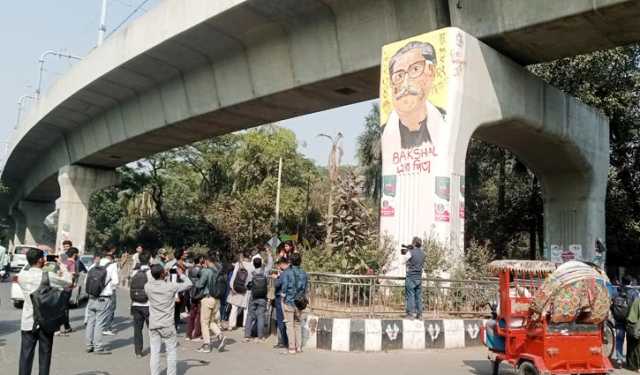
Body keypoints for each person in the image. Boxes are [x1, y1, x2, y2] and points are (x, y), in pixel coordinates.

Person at [17, 248, 72, 375]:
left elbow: (27, 270)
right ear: (41, 260)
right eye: (44, 258)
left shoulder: (21, 276)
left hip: (27, 321)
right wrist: (63, 266)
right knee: (45, 355)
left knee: (25, 356)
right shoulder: (47, 276)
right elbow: (68, 282)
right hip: (45, 321)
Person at [145, 263, 192, 375]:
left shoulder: (147, 286)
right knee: (171, 352)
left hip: (154, 324)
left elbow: (152, 276)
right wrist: (181, 274)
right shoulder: (171, 286)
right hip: (167, 324)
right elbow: (189, 284)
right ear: (162, 274)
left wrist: (161, 273)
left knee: (155, 352)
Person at [85, 251, 118, 354]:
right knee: (100, 323)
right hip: (104, 298)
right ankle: (98, 347)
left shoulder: (94, 265)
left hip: (91, 297)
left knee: (90, 322)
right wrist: (109, 288)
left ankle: (88, 345)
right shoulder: (112, 266)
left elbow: (86, 281)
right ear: (111, 258)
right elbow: (116, 282)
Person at [195, 252, 227, 353]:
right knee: (211, 321)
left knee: (204, 322)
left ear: (207, 261)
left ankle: (206, 345)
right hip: (217, 299)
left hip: (207, 299)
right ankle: (220, 335)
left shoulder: (207, 271)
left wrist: (197, 278)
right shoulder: (220, 270)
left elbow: (199, 285)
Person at [280, 252, 308, 354]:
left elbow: (284, 286)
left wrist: (283, 296)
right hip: (299, 302)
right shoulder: (304, 273)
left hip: (289, 301)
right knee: (297, 324)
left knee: (290, 325)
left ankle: (291, 348)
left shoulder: (287, 272)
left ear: (291, 261)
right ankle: (299, 347)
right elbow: (305, 288)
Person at [244, 253, 273, 342]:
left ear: (253, 264)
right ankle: (260, 337)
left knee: (250, 315)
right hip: (263, 297)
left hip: (253, 296)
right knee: (261, 316)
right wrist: (269, 254)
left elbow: (247, 285)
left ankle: (247, 336)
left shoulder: (251, 272)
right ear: (261, 263)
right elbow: (270, 264)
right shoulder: (265, 271)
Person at [612, 276, 640, 368]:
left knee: (619, 340)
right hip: (629, 321)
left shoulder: (617, 291)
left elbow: (612, 305)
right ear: (631, 283)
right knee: (630, 341)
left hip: (618, 320)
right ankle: (629, 361)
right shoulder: (634, 293)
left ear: (622, 282)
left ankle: (619, 359)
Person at [130, 251, 152, 358]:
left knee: (137, 329)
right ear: (149, 259)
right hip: (148, 305)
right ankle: (154, 347)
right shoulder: (151, 272)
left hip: (135, 304)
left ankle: (138, 351)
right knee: (151, 329)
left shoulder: (134, 272)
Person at [55, 247, 80, 336]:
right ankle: (57, 329)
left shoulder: (64, 262)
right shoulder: (72, 263)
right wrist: (76, 276)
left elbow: (59, 273)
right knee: (63, 309)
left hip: (60, 287)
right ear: (75, 254)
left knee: (63, 307)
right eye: (77, 254)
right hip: (67, 287)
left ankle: (67, 327)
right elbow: (73, 275)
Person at [227, 250, 254, 329]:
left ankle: (231, 325)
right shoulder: (252, 266)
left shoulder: (239, 264)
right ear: (250, 257)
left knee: (234, 307)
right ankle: (245, 325)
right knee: (246, 308)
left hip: (237, 288)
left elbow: (234, 276)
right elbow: (251, 279)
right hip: (246, 290)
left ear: (243, 256)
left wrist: (232, 287)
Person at [401, 236, 425, 320]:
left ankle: (410, 314)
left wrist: (408, 252)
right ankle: (420, 314)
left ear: (414, 243)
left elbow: (403, 261)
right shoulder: (423, 253)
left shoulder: (411, 252)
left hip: (411, 277)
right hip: (419, 278)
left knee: (410, 296)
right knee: (418, 296)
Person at [186, 255, 205, 342]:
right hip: (201, 294)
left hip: (192, 293)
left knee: (192, 314)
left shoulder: (190, 270)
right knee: (200, 314)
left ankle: (189, 334)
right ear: (200, 260)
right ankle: (197, 333)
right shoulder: (203, 270)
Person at [101, 247, 119, 336]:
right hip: (109, 291)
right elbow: (115, 281)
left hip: (97, 291)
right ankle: (106, 328)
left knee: (99, 310)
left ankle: (98, 327)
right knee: (110, 309)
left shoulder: (96, 263)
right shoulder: (113, 265)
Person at [272, 257, 289, 349]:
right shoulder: (291, 272)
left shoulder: (284, 273)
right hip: (289, 298)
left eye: (279, 264)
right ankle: (287, 341)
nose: (278, 266)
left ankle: (282, 341)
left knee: (280, 320)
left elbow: (277, 284)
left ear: (282, 264)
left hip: (280, 298)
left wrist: (276, 278)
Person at [626, 297, 640, 371]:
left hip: (629, 326)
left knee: (630, 346)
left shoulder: (634, 300)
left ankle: (629, 364)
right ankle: (637, 366)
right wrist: (637, 331)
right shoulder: (638, 302)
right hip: (635, 327)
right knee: (636, 348)